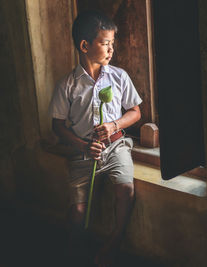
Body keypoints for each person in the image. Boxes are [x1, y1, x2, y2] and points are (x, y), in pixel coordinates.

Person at [49, 10, 142, 267]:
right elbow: (58, 126)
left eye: (113, 43)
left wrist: (114, 124)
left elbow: (135, 112)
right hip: (83, 154)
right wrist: (83, 146)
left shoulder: (118, 76)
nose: (111, 49)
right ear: (84, 45)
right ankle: (73, 246)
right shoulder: (67, 85)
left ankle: (115, 241)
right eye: (105, 43)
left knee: (125, 189)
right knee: (78, 213)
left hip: (116, 147)